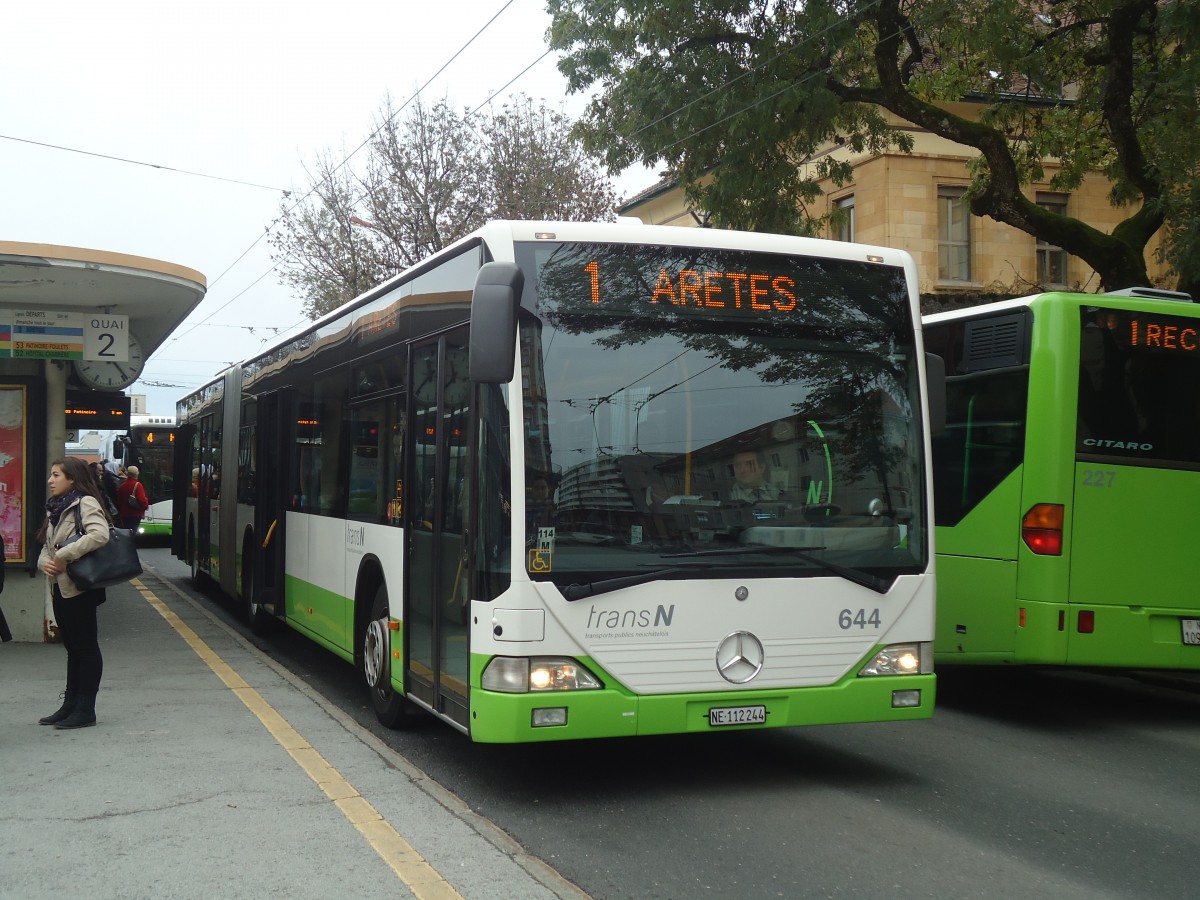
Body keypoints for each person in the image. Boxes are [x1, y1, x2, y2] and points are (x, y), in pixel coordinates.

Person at [36, 457, 112, 729]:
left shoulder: (85, 503)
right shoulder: (56, 508)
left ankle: (86, 708)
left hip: (80, 586)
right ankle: (70, 703)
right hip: (61, 586)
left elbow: (100, 534)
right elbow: (48, 542)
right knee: (73, 647)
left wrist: (64, 556)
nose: (50, 480)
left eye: (56, 475)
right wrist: (44, 560)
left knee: (86, 647)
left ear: (72, 479)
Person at [116, 464, 149, 531]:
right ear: (137, 474)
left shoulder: (122, 486)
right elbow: (142, 501)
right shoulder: (138, 485)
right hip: (135, 514)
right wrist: (146, 505)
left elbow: (119, 501)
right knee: (134, 532)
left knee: (127, 533)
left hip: (125, 514)